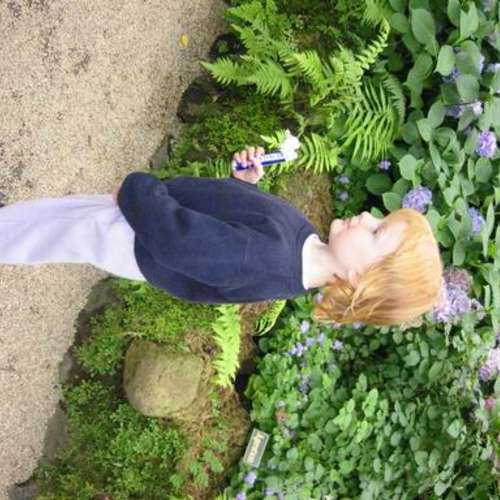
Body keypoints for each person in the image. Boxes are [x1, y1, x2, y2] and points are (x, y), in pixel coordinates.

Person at [0, 146, 442, 326]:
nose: (366, 215)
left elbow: (181, 243)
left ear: (360, 277)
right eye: (379, 216)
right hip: (148, 220)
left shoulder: (269, 258)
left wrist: (138, 190)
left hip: (139, 235)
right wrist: (243, 185)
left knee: (42, 232)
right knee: (46, 220)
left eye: (377, 230)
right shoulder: (305, 244)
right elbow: (228, 231)